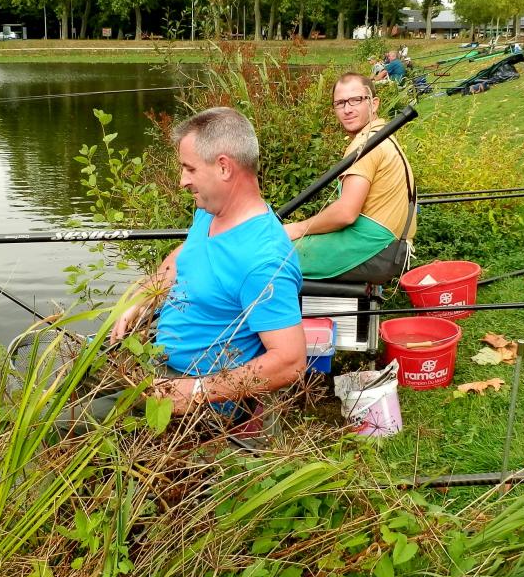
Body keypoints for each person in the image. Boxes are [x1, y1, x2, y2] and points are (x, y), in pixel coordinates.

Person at [109, 107, 306, 416]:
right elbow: (184, 257)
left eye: (189, 169)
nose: (181, 181)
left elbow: (291, 361)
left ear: (224, 168)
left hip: (199, 395)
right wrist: (142, 299)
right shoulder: (210, 211)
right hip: (156, 361)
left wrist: (194, 391)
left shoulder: (263, 260)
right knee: (70, 374)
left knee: (60, 422)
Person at [284, 73, 416, 280]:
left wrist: (297, 229)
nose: (347, 109)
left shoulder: (366, 144)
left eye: (356, 100)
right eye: (340, 103)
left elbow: (346, 213)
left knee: (272, 257)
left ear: (374, 104)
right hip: (394, 248)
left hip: (374, 250)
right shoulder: (383, 136)